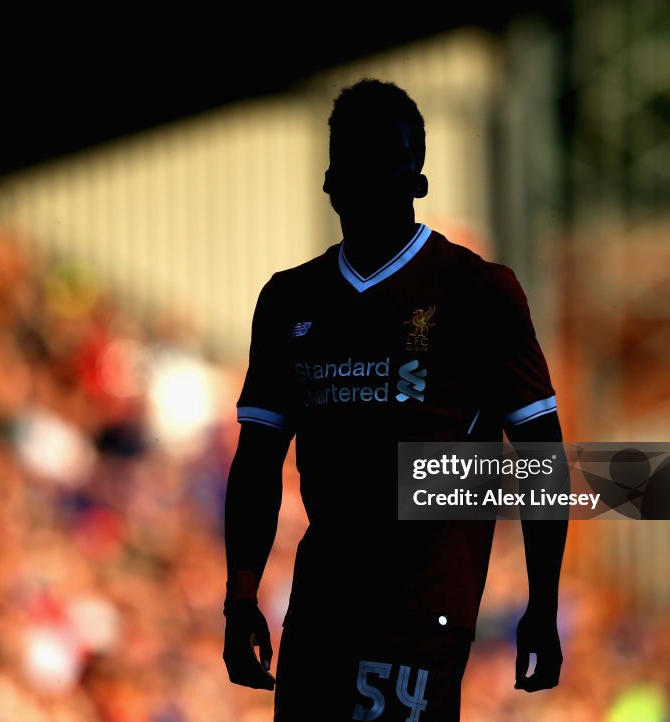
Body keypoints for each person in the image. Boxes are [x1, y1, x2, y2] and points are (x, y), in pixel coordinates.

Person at [223, 77, 568, 721]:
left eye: (387, 156)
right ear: (329, 179)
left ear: (419, 176)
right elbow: (256, 462)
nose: (368, 174)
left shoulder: (478, 291)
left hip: (424, 608)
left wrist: (542, 607)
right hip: (321, 603)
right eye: (351, 157)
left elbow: (540, 460)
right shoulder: (288, 300)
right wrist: (240, 594)